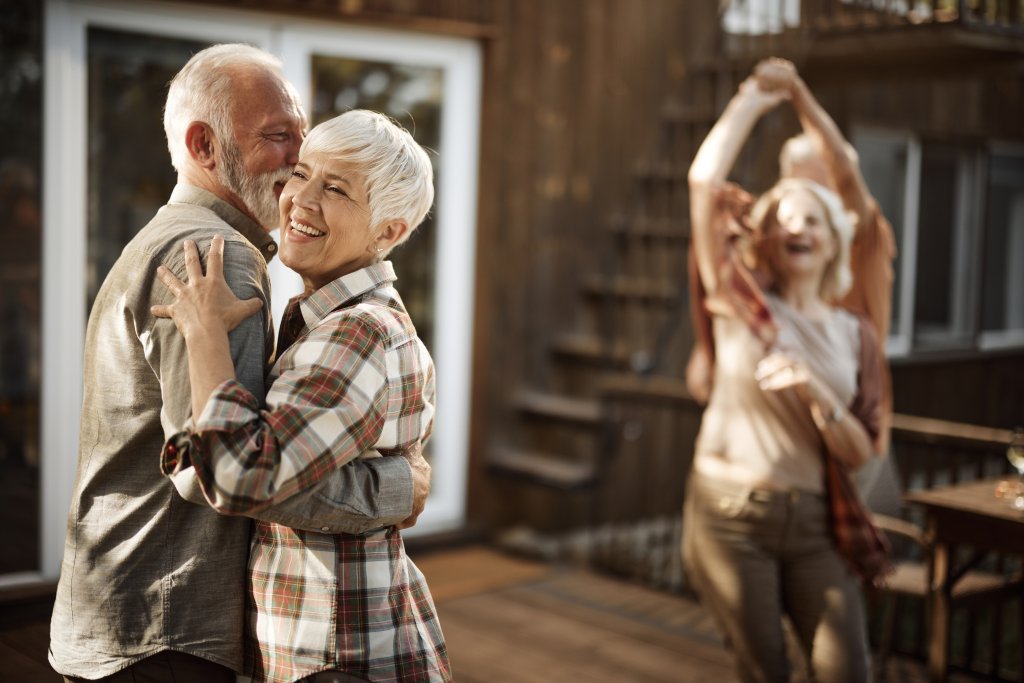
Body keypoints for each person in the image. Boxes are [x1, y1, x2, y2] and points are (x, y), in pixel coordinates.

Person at [49, 45, 430, 683]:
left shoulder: (172, 237)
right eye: (282, 141)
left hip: (132, 610)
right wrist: (393, 489)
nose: (294, 173)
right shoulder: (217, 254)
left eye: (301, 141)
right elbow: (213, 469)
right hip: (165, 626)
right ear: (204, 145)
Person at [154, 110, 451, 683]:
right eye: (303, 173)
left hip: (340, 657)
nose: (300, 200)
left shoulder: (358, 331)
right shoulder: (330, 322)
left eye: (335, 189)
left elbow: (241, 475)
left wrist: (205, 334)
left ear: (389, 232)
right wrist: (393, 489)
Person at [681, 59, 891, 683]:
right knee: (765, 671)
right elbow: (703, 181)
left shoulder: (857, 336)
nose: (796, 225)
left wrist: (814, 389)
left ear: (835, 239)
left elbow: (858, 452)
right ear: (768, 238)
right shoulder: (741, 304)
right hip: (730, 516)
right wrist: (752, 97)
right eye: (783, 217)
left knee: (846, 669)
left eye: (812, 217)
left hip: (815, 522)